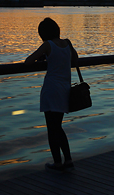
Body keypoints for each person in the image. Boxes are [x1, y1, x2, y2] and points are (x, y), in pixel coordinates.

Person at [25, 17, 78, 172]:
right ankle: (68, 159)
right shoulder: (67, 43)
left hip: (51, 90)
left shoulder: (48, 45)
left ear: (44, 34)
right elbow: (75, 60)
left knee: (52, 128)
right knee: (58, 127)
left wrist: (44, 56)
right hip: (64, 90)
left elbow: (28, 62)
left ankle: (58, 162)